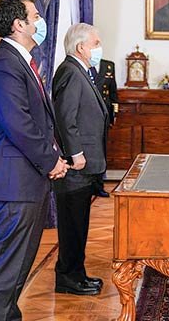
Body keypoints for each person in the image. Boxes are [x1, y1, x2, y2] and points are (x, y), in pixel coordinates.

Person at [0, 0, 69, 320]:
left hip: (26, 182)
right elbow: (19, 124)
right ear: (19, 25)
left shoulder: (19, 62)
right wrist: (52, 161)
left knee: (16, 272)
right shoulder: (4, 64)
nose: (40, 20)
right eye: (35, 15)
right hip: (14, 184)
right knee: (5, 270)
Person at [52, 23, 109, 296]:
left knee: (80, 223)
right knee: (72, 224)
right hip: (77, 165)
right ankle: (68, 278)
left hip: (84, 164)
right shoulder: (70, 73)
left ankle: (78, 274)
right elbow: (65, 117)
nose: (99, 48)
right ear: (81, 47)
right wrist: (76, 154)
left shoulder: (81, 71)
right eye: (96, 43)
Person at [89, 58, 119, 197]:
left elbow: (113, 92)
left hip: (104, 114)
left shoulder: (108, 65)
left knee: (102, 149)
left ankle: (99, 184)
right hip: (87, 113)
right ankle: (88, 184)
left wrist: (114, 114)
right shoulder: (82, 65)